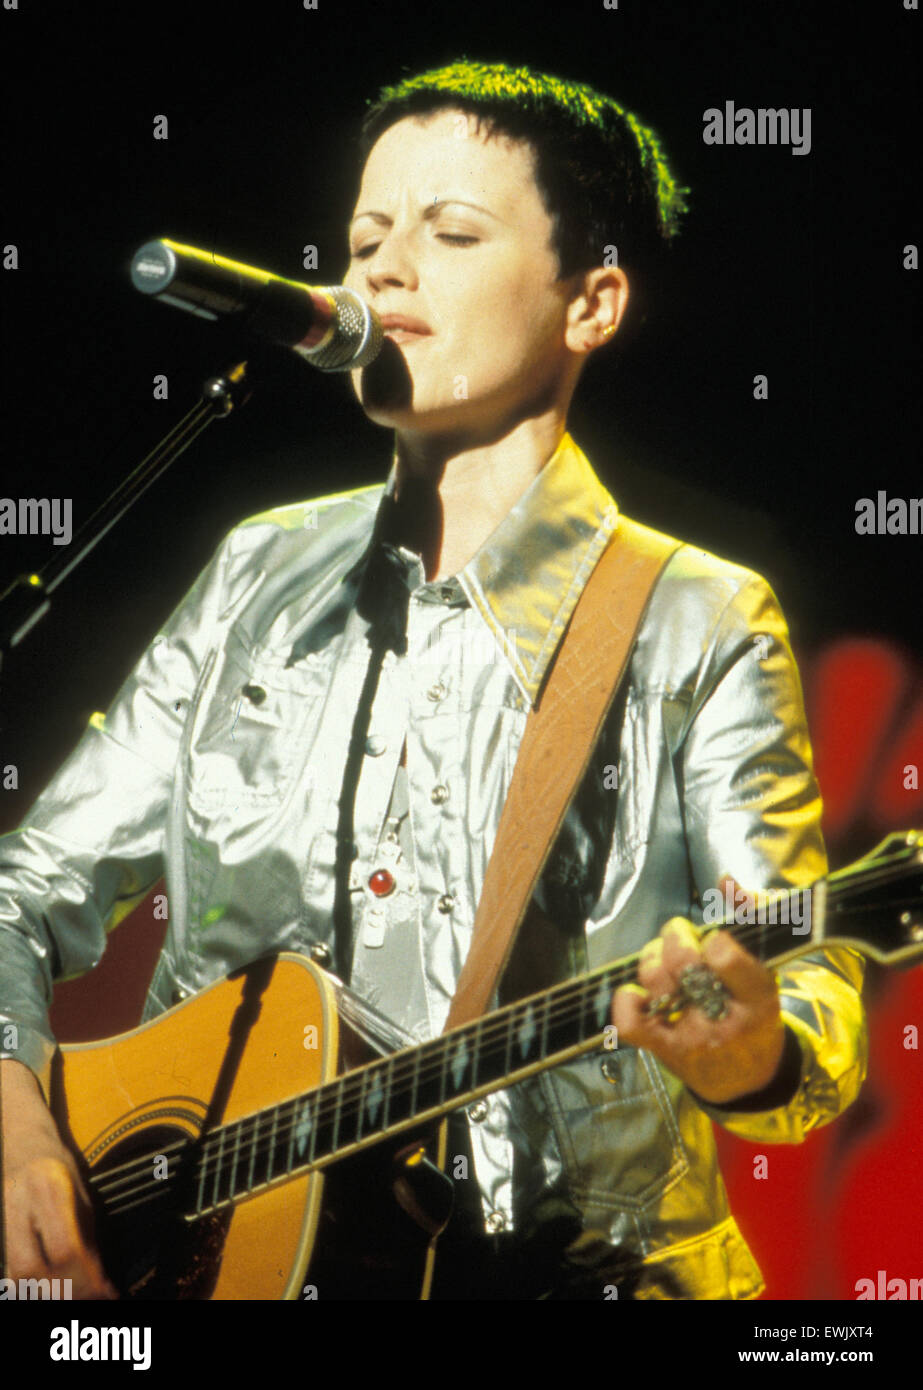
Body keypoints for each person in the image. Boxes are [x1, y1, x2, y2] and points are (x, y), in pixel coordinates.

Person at [0, 60, 866, 1301]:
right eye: (364, 240)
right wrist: (18, 1130)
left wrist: (752, 1057)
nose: (383, 271)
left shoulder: (695, 620)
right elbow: (21, 891)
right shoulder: (256, 571)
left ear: (590, 303)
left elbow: (807, 995)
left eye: (450, 233)